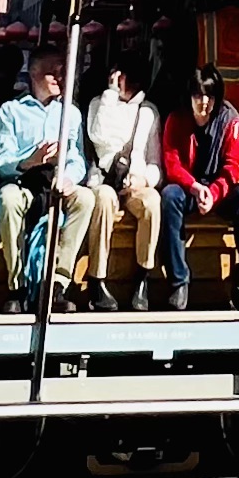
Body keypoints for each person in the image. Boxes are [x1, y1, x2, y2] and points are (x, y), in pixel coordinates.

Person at [0, 51, 99, 311]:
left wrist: (69, 178)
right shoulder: (11, 110)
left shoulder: (70, 113)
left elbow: (77, 158)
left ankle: (58, 283)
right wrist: (31, 159)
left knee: (85, 198)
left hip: (56, 181)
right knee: (8, 199)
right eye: (55, 73)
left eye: (64, 73)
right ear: (36, 74)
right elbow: (3, 162)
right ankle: (18, 286)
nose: (61, 79)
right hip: (24, 181)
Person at [157, 72, 239, 313]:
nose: (204, 101)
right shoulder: (176, 119)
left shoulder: (229, 119)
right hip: (188, 186)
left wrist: (213, 192)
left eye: (210, 95)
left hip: (218, 189)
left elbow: (233, 166)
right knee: (169, 197)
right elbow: (172, 163)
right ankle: (179, 281)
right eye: (198, 95)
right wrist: (195, 187)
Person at [83, 61, 165, 309]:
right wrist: (110, 96)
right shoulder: (99, 104)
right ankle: (97, 279)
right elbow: (99, 136)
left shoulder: (148, 111)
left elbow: (155, 161)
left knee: (152, 202)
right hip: (103, 179)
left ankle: (142, 278)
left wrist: (143, 179)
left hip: (134, 183)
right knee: (104, 199)